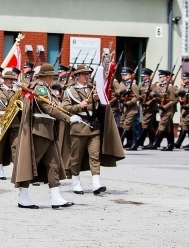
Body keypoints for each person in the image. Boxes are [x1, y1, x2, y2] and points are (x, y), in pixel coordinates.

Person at [11, 64, 74, 210]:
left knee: (54, 164)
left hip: (48, 131)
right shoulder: (40, 87)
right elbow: (48, 108)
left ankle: (56, 197)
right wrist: (68, 118)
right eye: (52, 76)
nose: (53, 79)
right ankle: (23, 196)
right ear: (49, 76)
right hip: (40, 130)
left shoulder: (45, 88)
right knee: (30, 164)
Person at [61, 64, 125, 195]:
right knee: (76, 158)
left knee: (95, 156)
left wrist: (98, 100)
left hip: (94, 127)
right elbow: (65, 108)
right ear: (77, 76)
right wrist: (79, 106)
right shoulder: (70, 91)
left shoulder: (93, 89)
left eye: (88, 74)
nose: (87, 77)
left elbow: (103, 107)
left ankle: (96, 184)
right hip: (78, 127)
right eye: (84, 74)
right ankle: (76, 183)